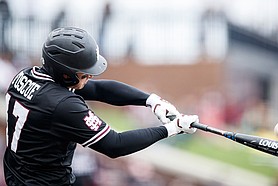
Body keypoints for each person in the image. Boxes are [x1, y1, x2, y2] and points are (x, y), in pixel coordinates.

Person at [3, 26, 199, 186]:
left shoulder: (26, 76)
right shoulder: (63, 105)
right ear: (64, 74)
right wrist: (172, 129)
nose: (90, 78)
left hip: (17, 177)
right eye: (84, 74)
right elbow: (115, 144)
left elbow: (98, 90)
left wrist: (152, 101)